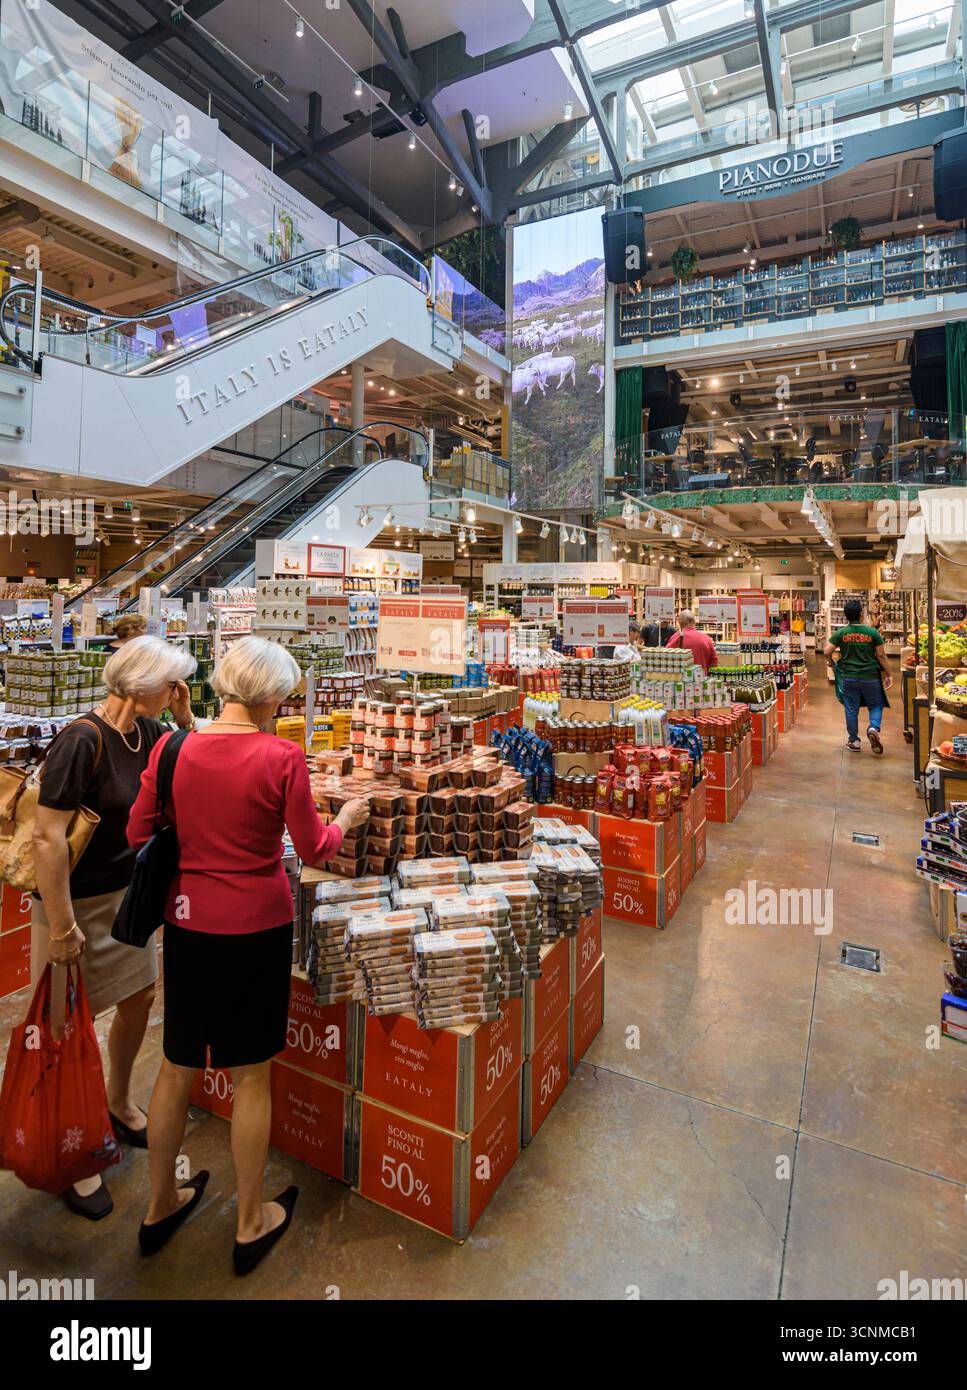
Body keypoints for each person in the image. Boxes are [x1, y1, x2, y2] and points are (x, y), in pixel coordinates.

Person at [128, 636, 369, 1275]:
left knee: (177, 1063)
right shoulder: (281, 756)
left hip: (185, 924)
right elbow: (314, 848)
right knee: (251, 1072)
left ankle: (158, 1205)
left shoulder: (172, 746)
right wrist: (347, 815)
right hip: (257, 927)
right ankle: (250, 1219)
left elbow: (136, 833)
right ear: (270, 697)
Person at [31, 635, 198, 1220]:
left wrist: (184, 716)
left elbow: (201, 769)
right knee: (64, 1026)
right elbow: (47, 837)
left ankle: (119, 1102)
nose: (177, 690)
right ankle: (69, 1153)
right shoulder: (82, 738)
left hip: (127, 897)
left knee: (138, 998)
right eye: (172, 682)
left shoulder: (150, 733)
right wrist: (59, 926)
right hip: (71, 904)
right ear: (141, 681)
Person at [824, 597, 892, 753]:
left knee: (851, 708)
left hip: (849, 678)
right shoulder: (872, 633)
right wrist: (889, 674)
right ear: (862, 614)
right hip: (870, 677)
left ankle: (854, 741)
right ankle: (873, 727)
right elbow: (881, 656)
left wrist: (830, 663)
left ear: (847, 616)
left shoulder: (841, 633)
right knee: (875, 704)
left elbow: (827, 651)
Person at [665, 610, 717, 674]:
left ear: (679, 622)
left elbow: (666, 658)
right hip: (702, 679)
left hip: (684, 680)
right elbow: (714, 662)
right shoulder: (706, 638)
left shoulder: (677, 637)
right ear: (694, 622)